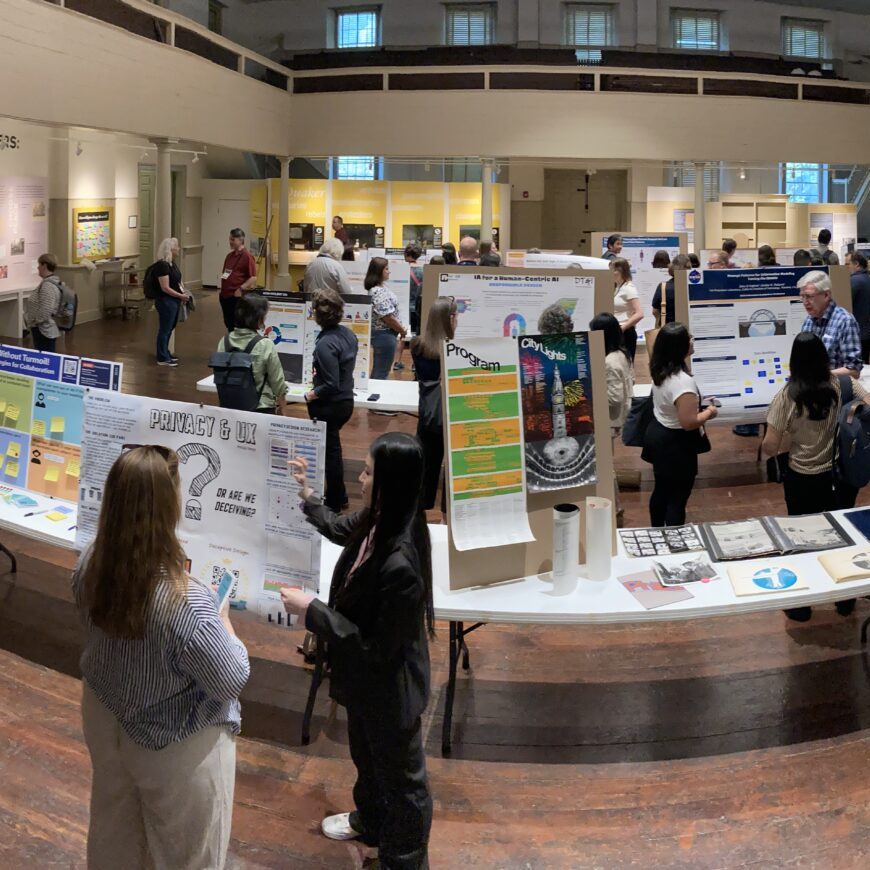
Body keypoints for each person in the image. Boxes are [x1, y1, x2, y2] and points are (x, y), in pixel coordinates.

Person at [74, 445, 250, 869]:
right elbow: (232, 677)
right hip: (174, 744)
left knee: (114, 834)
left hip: (104, 715)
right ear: (170, 506)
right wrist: (224, 624)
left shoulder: (91, 563)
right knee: (187, 854)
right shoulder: (185, 601)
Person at [281, 433, 434, 869]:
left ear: (389, 483)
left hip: (391, 689)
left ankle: (403, 860)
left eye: (368, 471)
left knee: (405, 785)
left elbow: (374, 646)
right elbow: (337, 527)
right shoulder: (379, 517)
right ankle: (370, 821)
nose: (360, 479)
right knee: (366, 758)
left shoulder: (402, 562)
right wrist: (307, 493)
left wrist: (313, 611)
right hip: (367, 684)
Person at [762, 333, 867, 622]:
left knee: (801, 539)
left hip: (802, 476)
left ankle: (802, 605)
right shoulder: (841, 384)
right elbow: (867, 404)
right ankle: (844, 599)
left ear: (794, 361)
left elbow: (770, 445)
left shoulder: (787, 395)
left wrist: (791, 442)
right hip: (839, 475)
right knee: (842, 535)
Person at [642, 323, 717, 526]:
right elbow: (689, 422)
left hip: (659, 435)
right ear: (679, 346)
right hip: (676, 445)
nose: (692, 340)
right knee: (677, 498)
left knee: (661, 490)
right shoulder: (683, 382)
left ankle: (657, 530)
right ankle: (675, 538)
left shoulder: (660, 369)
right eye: (688, 337)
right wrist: (709, 412)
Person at [304, 289, 358, 511]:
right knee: (332, 449)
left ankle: (335, 500)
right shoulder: (348, 335)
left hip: (330, 405)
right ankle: (339, 495)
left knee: (331, 454)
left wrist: (311, 394)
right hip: (346, 401)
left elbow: (330, 384)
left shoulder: (326, 344)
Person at [411, 296, 457, 514]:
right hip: (450, 417)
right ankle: (446, 515)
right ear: (450, 319)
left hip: (427, 415)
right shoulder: (455, 349)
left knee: (426, 470)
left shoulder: (417, 346)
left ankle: (421, 511)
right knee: (451, 470)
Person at [590, 312, 633, 526]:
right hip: (615, 419)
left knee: (606, 467)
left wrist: (591, 394)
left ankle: (615, 508)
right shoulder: (621, 355)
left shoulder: (609, 362)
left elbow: (614, 398)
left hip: (609, 421)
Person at [219, 293, 288, 414]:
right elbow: (277, 380)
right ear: (259, 318)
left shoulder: (224, 341)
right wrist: (282, 404)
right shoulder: (265, 344)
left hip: (229, 406)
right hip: (260, 408)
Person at [798, 270, 862, 378]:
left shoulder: (845, 321)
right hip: (810, 390)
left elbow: (854, 371)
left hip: (836, 390)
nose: (805, 302)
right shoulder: (808, 322)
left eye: (809, 296)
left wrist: (820, 376)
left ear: (826, 295)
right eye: (802, 297)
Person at [366, 257, 406, 380]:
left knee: (380, 370)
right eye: (386, 269)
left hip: (384, 336)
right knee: (381, 372)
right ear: (379, 271)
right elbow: (387, 317)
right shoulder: (378, 292)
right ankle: (376, 396)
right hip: (384, 336)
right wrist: (401, 330)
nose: (389, 271)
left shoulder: (379, 289)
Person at [151, 238, 189, 367]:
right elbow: (165, 288)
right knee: (165, 329)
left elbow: (178, 280)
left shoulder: (172, 263)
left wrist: (182, 293)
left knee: (170, 328)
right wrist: (180, 295)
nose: (178, 249)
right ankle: (162, 357)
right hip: (166, 301)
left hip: (174, 300)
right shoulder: (163, 266)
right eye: (176, 247)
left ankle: (166, 353)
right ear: (171, 249)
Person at [219, 228, 258, 332]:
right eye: (230, 239)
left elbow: (253, 277)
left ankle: (236, 346)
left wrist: (240, 289)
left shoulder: (247, 257)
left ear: (240, 240)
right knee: (228, 324)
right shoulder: (229, 256)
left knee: (236, 324)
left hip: (236, 296)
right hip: (225, 295)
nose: (230, 242)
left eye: (233, 239)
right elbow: (225, 274)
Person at [24, 252, 62, 353]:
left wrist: (35, 322)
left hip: (44, 330)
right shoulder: (48, 283)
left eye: (39, 265)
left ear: (44, 265)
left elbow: (46, 309)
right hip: (42, 329)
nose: (37, 268)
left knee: (45, 359)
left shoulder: (47, 286)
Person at [610, 257, 643, 361]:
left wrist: (622, 328)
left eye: (613, 270)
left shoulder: (628, 288)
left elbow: (639, 313)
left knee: (626, 366)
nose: (610, 273)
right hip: (619, 332)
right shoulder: (617, 288)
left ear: (621, 271)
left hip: (625, 333)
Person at [652, 253, 691, 326]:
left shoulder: (663, 287)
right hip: (688, 328)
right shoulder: (692, 287)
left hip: (668, 329)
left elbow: (655, 311)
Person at [846, 251, 870, 363]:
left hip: (858, 332)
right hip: (867, 331)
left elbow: (845, 305)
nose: (848, 267)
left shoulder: (853, 281)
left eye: (848, 264)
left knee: (857, 366)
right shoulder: (867, 278)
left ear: (856, 264)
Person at [405, 243, 424, 337]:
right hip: (418, 308)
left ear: (407, 255)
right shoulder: (423, 271)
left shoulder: (402, 270)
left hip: (405, 308)